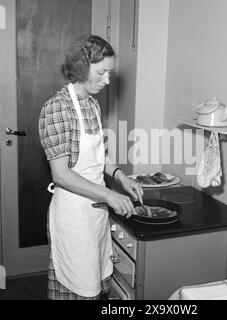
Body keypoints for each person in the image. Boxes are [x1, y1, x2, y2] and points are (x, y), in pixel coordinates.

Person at [38, 35, 143, 300]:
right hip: (73, 216)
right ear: (81, 68)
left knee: (96, 282)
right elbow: (61, 175)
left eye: (110, 72)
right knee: (76, 284)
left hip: (95, 214)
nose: (108, 80)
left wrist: (120, 176)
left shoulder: (93, 105)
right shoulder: (56, 108)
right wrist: (109, 194)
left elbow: (98, 155)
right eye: (102, 72)